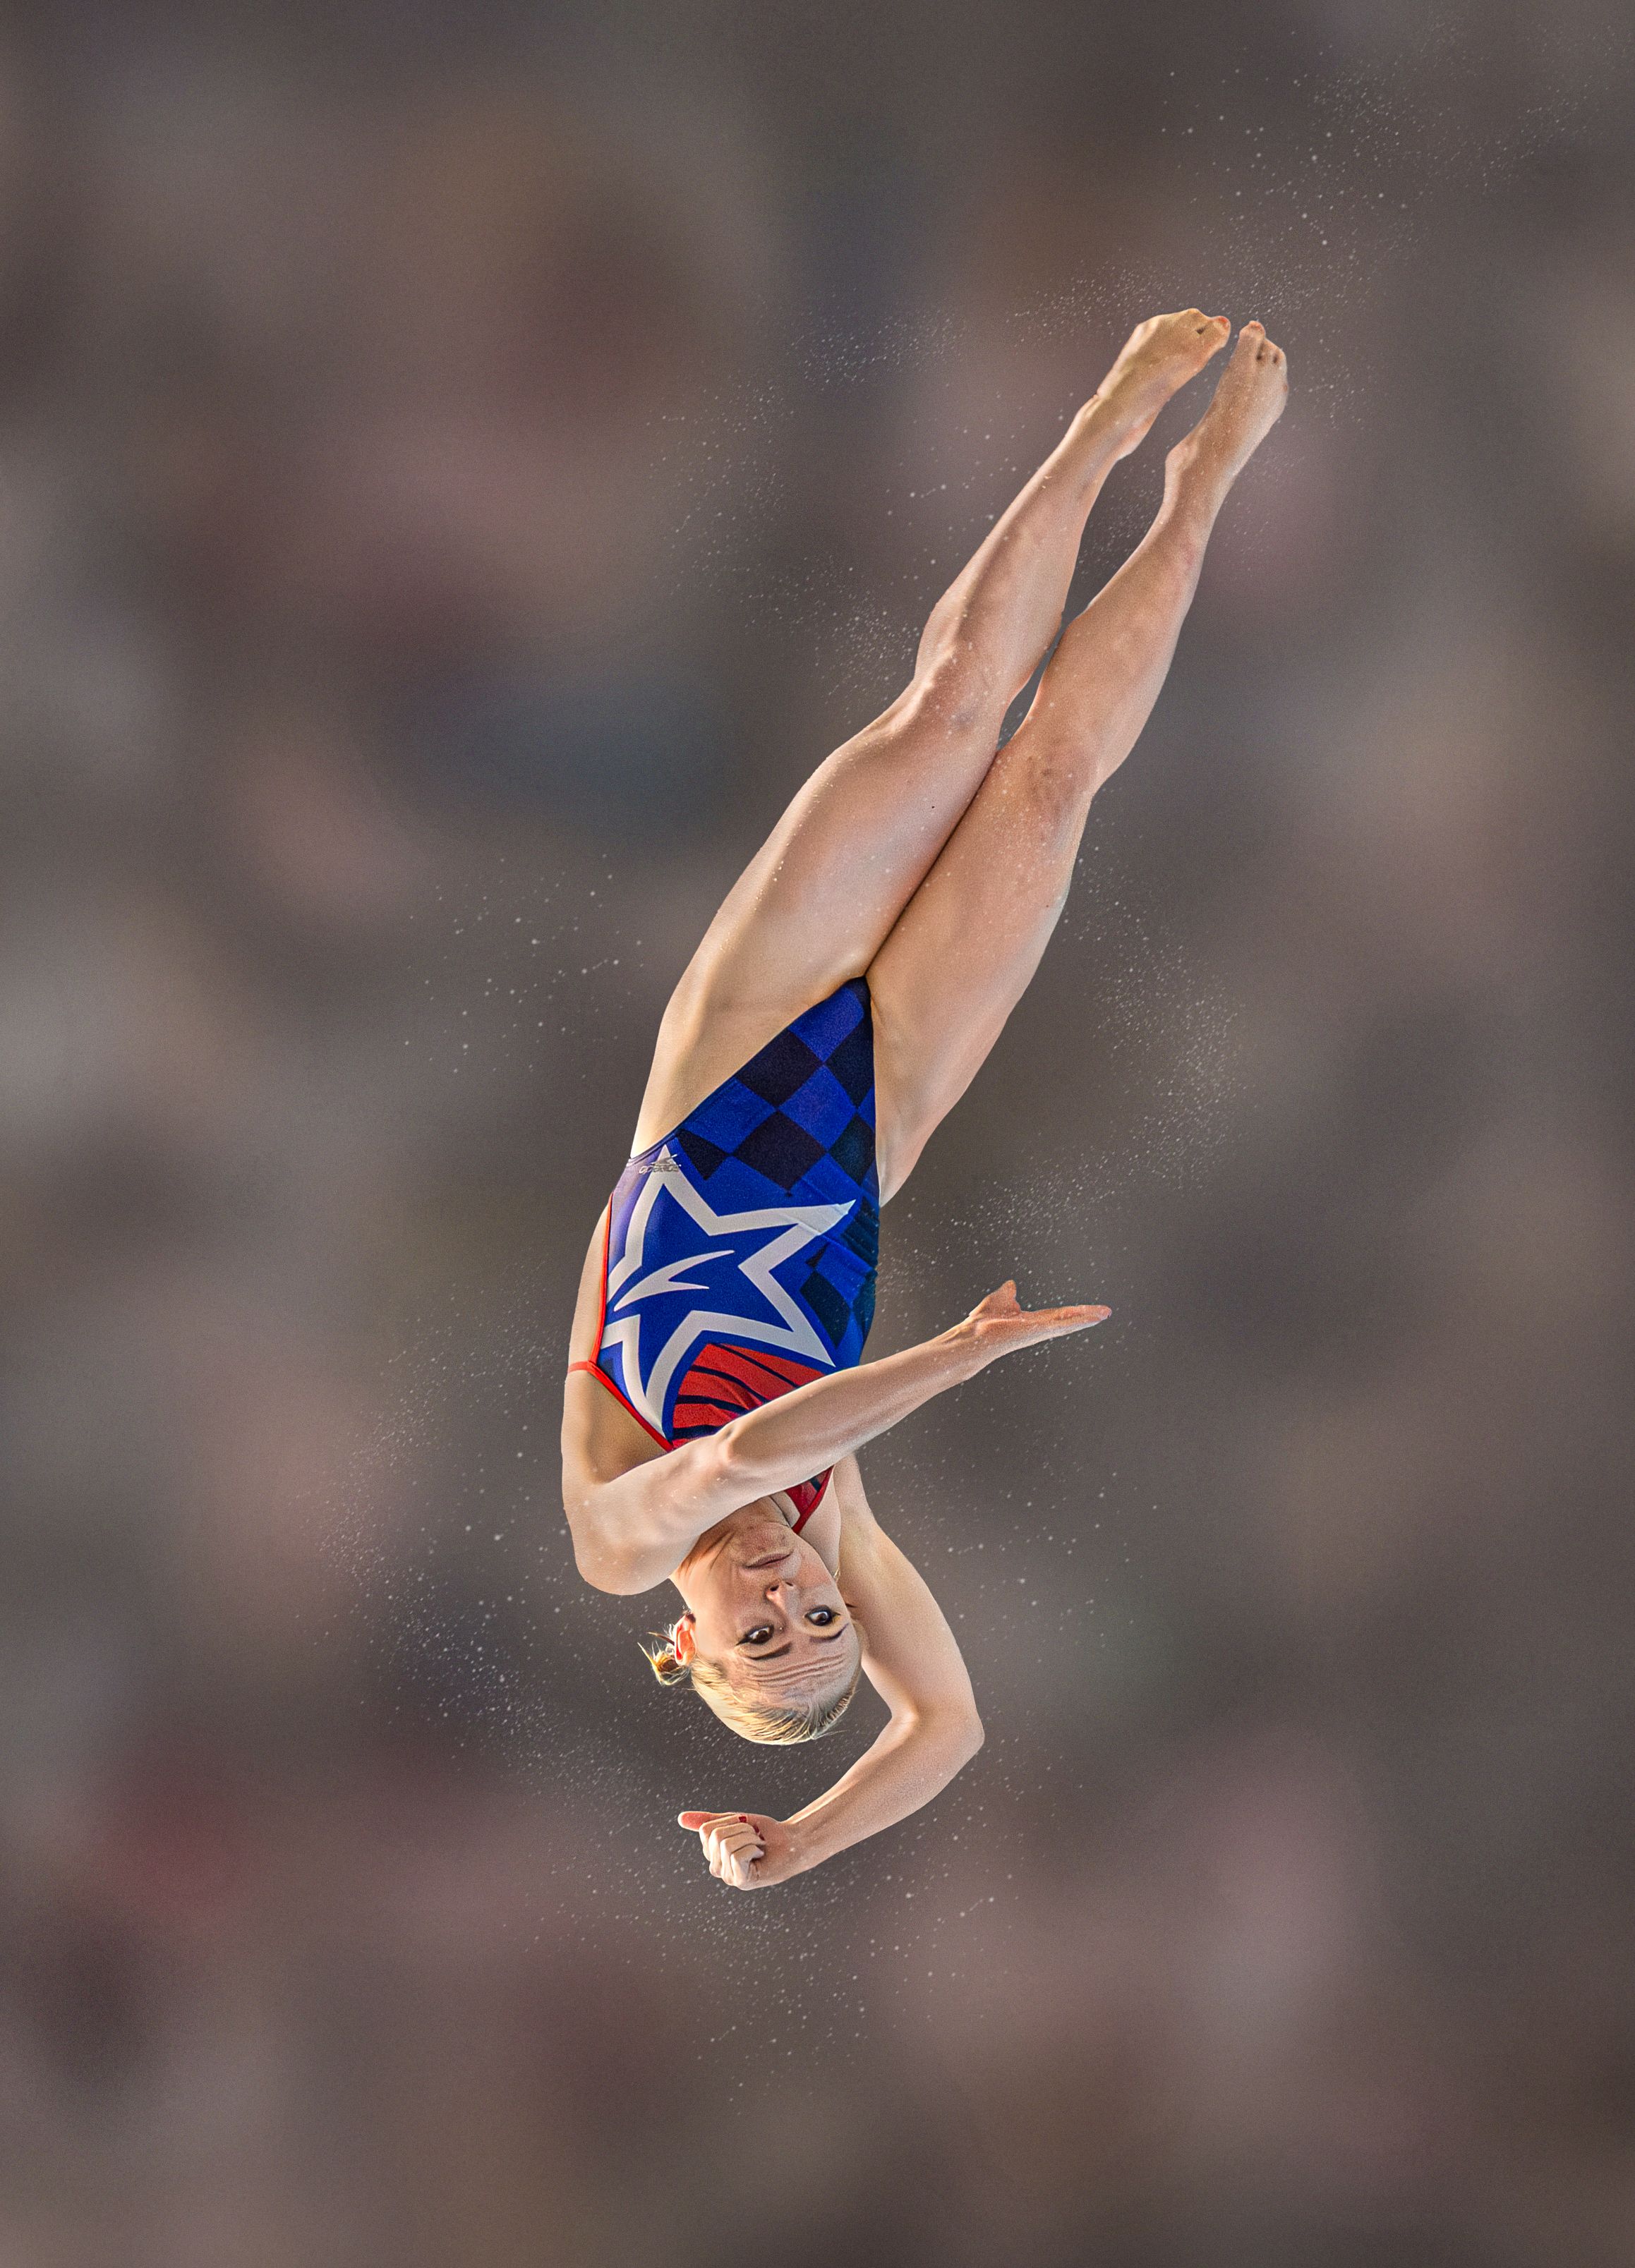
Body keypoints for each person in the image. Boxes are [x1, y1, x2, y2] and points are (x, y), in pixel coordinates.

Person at [561, 312, 1287, 1888]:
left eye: (761, 1632)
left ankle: (1102, 424)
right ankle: (1202, 484)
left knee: (949, 708)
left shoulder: (621, 1545)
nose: (791, 1592)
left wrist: (952, 1361)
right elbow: (946, 1728)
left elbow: (745, 1454)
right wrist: (803, 1843)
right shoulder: (837, 1532)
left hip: (728, 1056)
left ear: (683, 1647)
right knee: (1048, 782)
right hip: (873, 1120)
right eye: (822, 1616)